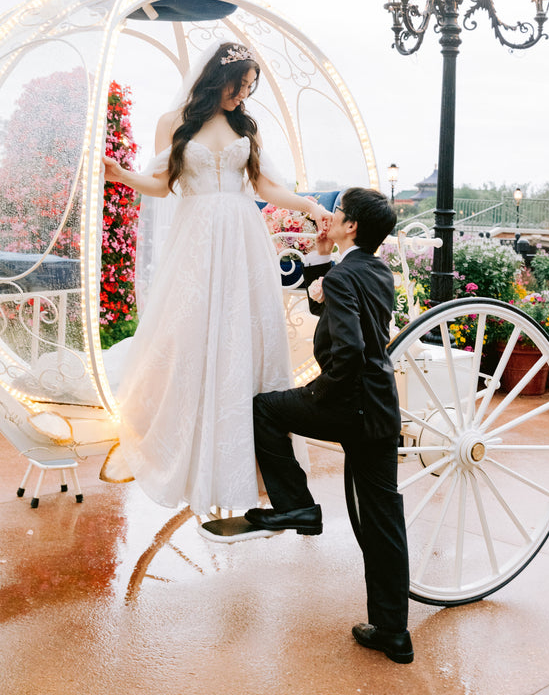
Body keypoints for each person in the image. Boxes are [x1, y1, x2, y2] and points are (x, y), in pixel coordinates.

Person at [102, 41, 331, 515]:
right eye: (238, 85)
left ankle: (249, 461)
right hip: (198, 241)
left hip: (244, 238)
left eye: (249, 88)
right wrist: (122, 175)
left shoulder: (245, 125)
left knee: (243, 336)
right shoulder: (176, 122)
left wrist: (308, 205)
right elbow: (161, 185)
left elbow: (265, 186)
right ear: (216, 77)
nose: (243, 95)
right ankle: (187, 451)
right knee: (192, 334)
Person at [242, 187, 413, 664]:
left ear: (352, 225)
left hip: (347, 403)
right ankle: (393, 631)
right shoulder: (375, 270)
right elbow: (331, 306)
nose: (329, 217)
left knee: (265, 408)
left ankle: (298, 507)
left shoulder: (345, 277)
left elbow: (351, 349)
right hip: (381, 408)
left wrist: (319, 394)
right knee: (383, 520)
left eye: (336, 213)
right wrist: (321, 258)